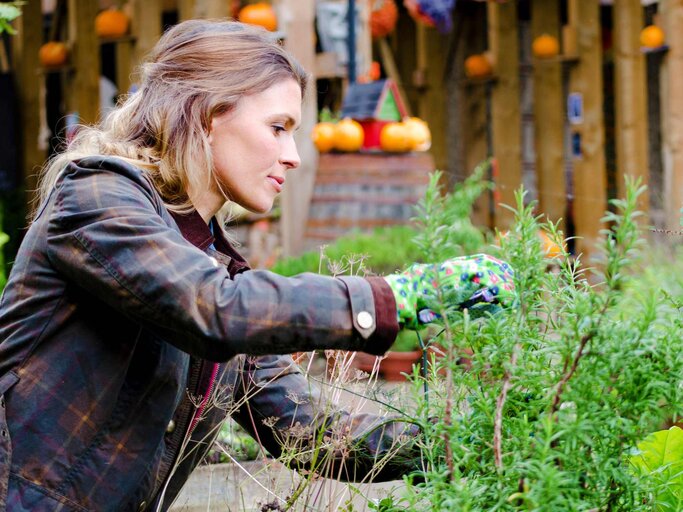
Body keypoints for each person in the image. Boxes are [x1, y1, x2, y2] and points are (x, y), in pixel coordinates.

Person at [0, 19, 515, 511]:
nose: (292, 154)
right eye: (278, 127)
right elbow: (215, 309)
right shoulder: (96, 198)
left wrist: (469, 445)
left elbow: (310, 430)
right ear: (205, 115)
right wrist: (401, 295)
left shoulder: (209, 263)